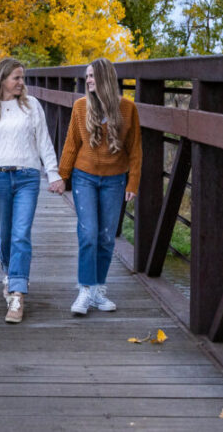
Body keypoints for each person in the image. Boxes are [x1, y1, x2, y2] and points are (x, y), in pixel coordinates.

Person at [0, 57, 64, 324]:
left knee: (21, 234)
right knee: (5, 236)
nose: (22, 83)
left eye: (23, 78)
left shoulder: (31, 105)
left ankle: (17, 293)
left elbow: (44, 141)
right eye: (17, 78)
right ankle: (9, 273)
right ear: (2, 79)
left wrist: (54, 173)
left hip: (27, 177)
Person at [58, 57, 142, 316]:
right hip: (84, 177)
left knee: (106, 237)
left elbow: (135, 149)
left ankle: (97, 291)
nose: (89, 80)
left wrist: (133, 182)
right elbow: (72, 144)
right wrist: (62, 176)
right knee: (88, 233)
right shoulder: (81, 107)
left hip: (115, 180)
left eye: (93, 75)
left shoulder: (128, 109)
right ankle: (84, 289)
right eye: (87, 76)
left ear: (106, 78)